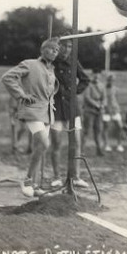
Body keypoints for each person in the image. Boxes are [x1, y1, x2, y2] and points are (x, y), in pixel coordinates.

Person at [1, 39, 59, 197]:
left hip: (47, 113)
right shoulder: (30, 64)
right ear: (43, 50)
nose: (55, 52)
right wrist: (21, 95)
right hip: (32, 111)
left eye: (57, 50)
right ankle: (27, 180)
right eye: (52, 49)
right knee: (44, 143)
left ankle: (35, 185)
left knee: (39, 149)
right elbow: (7, 77)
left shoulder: (52, 70)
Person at [50, 38, 90, 190]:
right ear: (57, 47)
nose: (66, 49)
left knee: (77, 143)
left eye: (69, 46)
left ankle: (76, 176)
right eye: (64, 46)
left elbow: (85, 79)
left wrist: (74, 92)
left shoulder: (74, 62)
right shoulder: (50, 62)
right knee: (56, 143)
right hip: (57, 108)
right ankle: (56, 177)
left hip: (73, 109)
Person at [80, 71, 106, 156]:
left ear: (100, 76)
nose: (96, 77)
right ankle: (81, 150)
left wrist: (102, 105)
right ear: (92, 75)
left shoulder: (102, 86)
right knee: (86, 130)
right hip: (89, 111)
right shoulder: (88, 85)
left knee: (98, 130)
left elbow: (104, 98)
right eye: (94, 75)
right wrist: (97, 105)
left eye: (97, 75)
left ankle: (99, 149)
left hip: (99, 112)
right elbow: (87, 97)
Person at [102, 75, 125, 152]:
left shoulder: (115, 89)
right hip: (106, 111)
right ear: (107, 80)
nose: (111, 81)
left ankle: (119, 144)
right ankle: (106, 145)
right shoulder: (103, 89)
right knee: (106, 127)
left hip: (115, 110)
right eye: (109, 80)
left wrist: (116, 109)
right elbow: (103, 100)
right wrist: (106, 108)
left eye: (112, 80)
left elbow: (117, 100)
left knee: (120, 126)